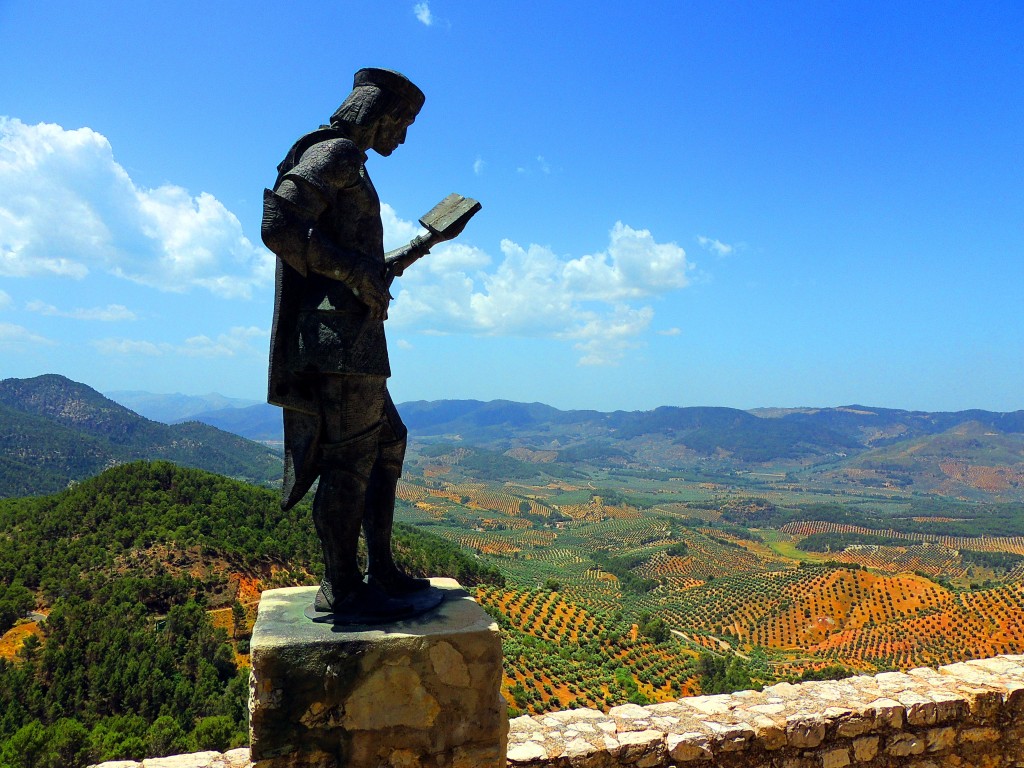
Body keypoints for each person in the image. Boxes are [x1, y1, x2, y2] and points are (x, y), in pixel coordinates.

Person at [262, 68, 441, 619]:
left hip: (354, 336)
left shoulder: (353, 167)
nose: (403, 136)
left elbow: (355, 263)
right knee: (350, 459)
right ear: (378, 112)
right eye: (403, 122)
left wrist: (415, 248)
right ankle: (341, 585)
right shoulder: (336, 153)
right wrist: (357, 274)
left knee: (388, 443)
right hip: (336, 340)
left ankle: (379, 568)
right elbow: (278, 222)